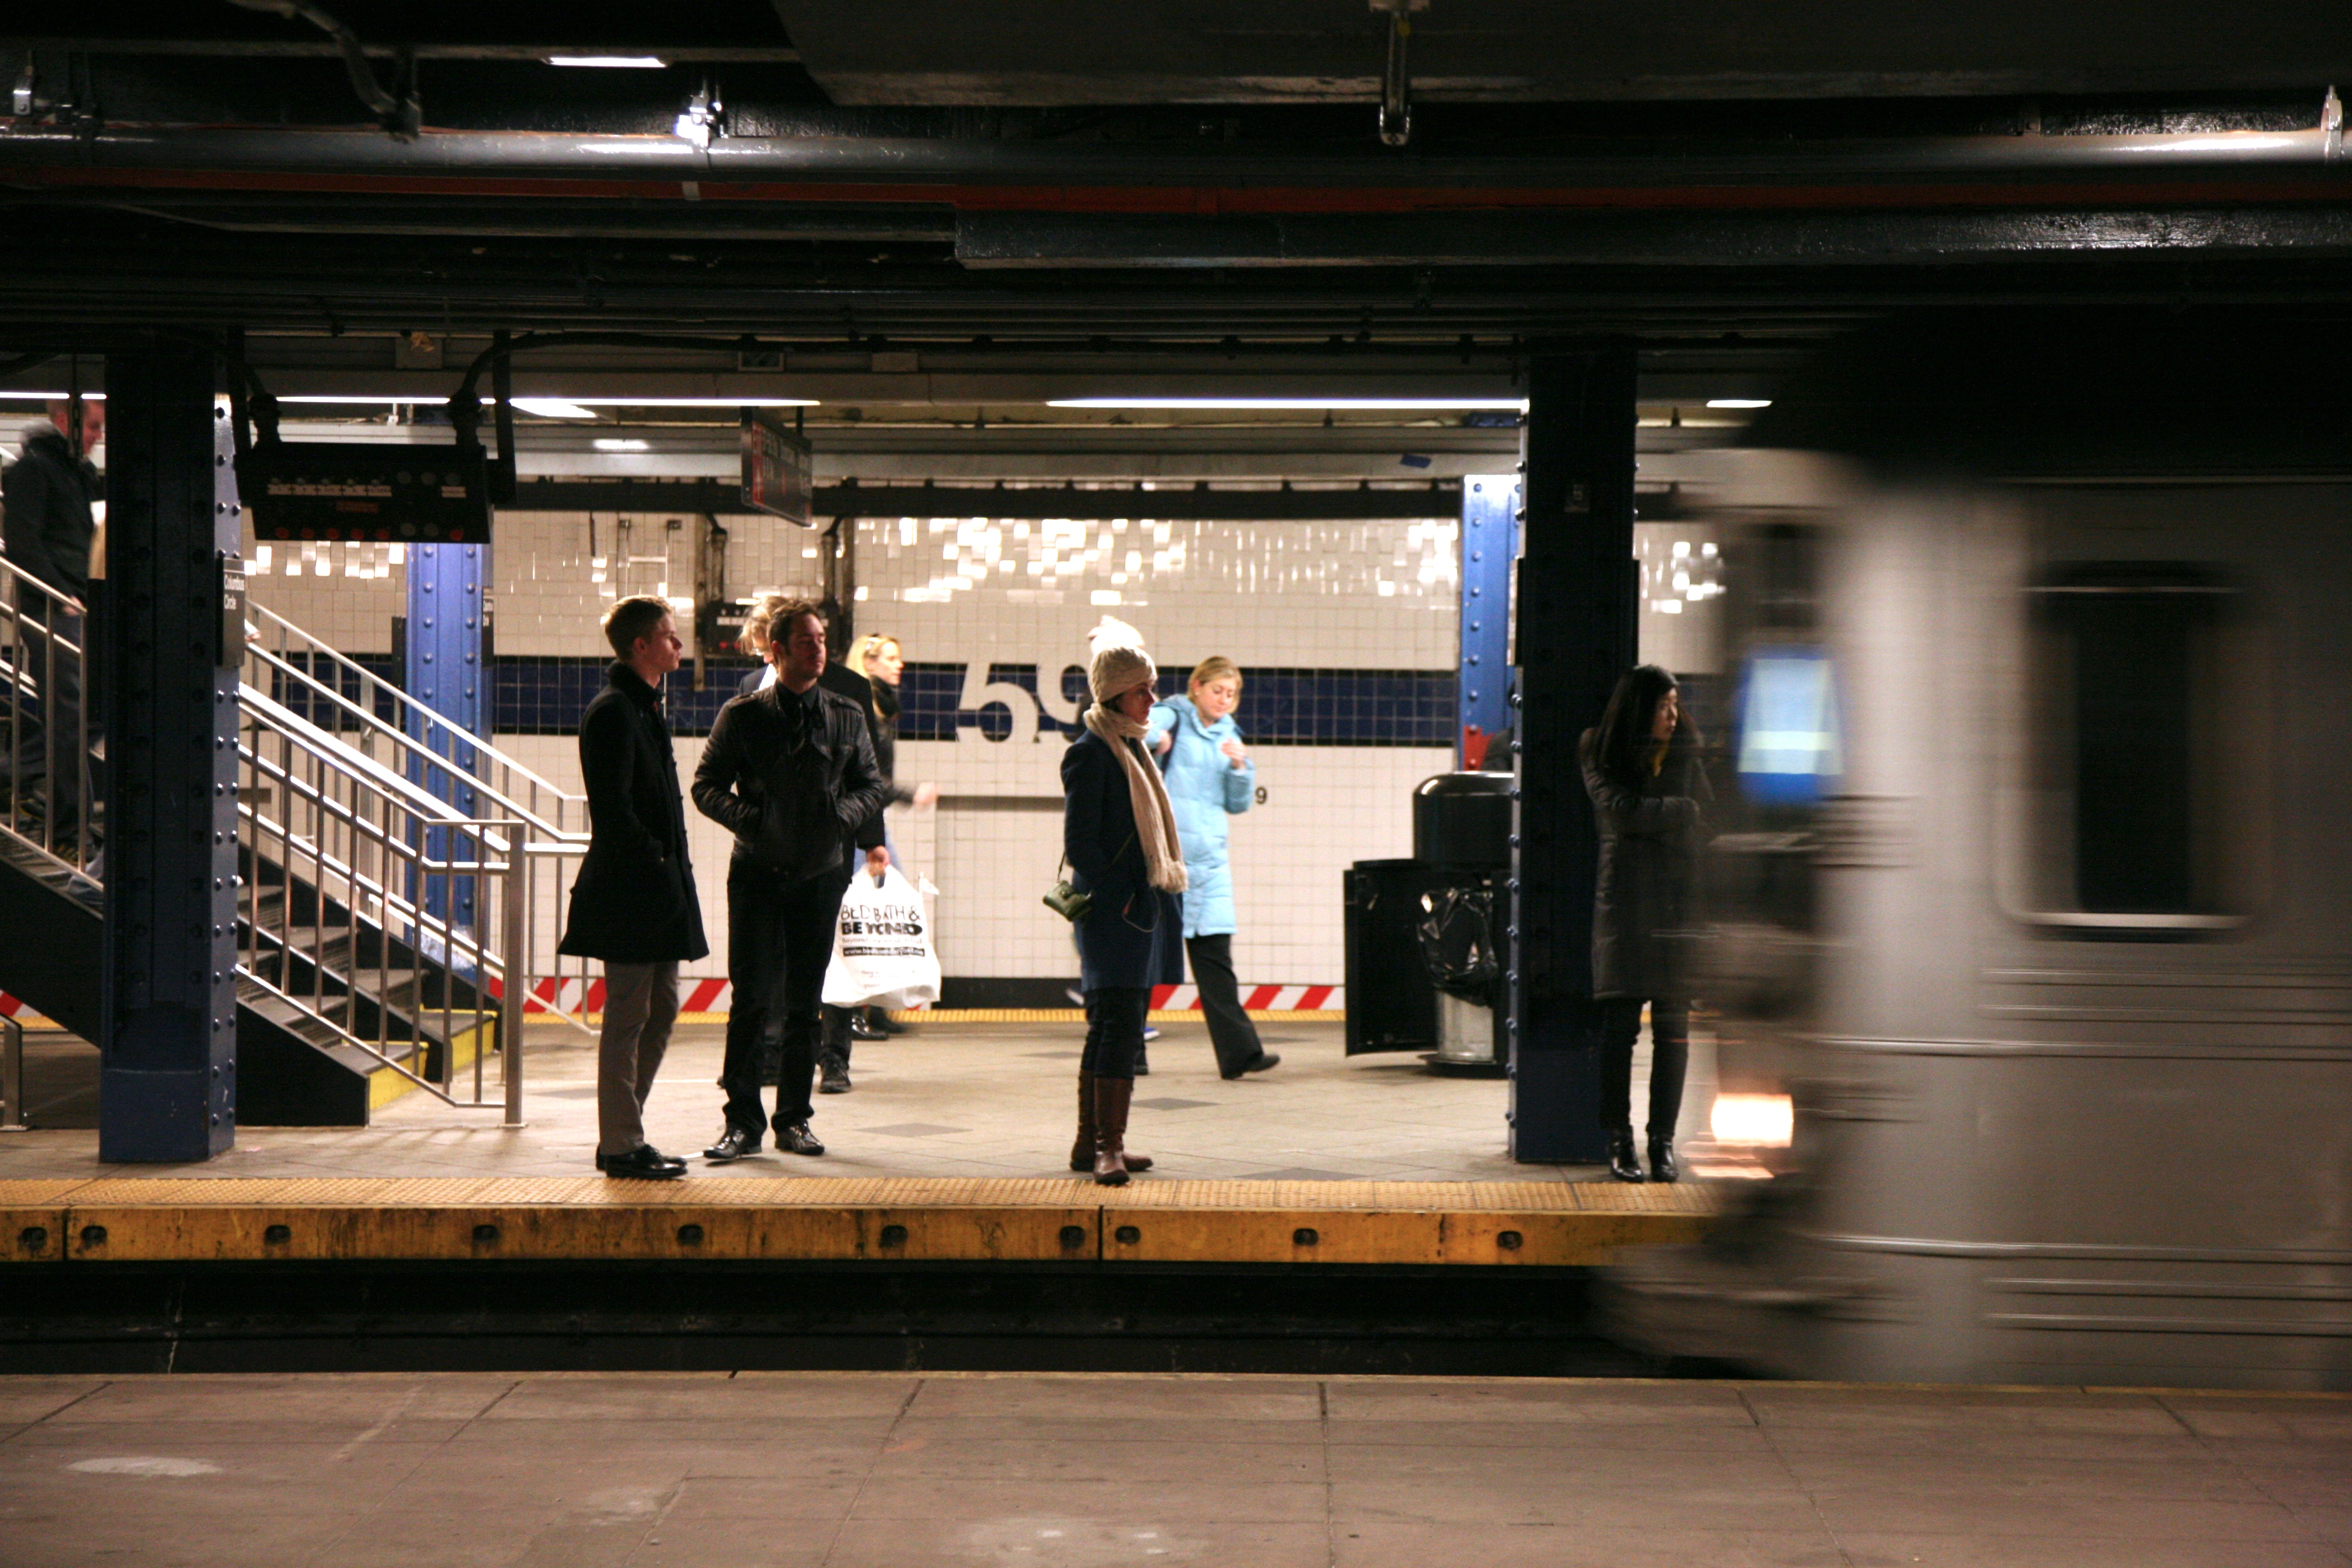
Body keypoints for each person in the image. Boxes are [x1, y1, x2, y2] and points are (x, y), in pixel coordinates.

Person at [694, 599, 888, 1160]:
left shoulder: (847, 714)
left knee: (806, 1001)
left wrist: (843, 818)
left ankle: (794, 1119)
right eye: (806, 640)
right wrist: (754, 822)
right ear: (776, 650)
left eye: (822, 639)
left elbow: (871, 786)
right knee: (751, 999)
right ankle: (742, 1122)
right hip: (756, 870)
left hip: (822, 873)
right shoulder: (744, 714)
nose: (818, 648)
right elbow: (706, 785)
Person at [558, 597, 709, 1179]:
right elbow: (614, 810)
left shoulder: (644, 707)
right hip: (630, 894)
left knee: (663, 1009)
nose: (679, 646)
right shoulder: (615, 711)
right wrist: (655, 857)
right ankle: (619, 1143)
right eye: (670, 638)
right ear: (641, 646)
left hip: (659, 892)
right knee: (627, 1016)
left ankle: (629, 1129)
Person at [1062, 633, 1187, 1184]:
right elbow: (1081, 844)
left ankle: (1089, 1143)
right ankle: (1107, 1147)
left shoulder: (1132, 746)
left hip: (1139, 909)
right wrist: (1125, 896)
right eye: (1143, 690)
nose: (1152, 700)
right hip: (1116, 913)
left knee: (1117, 1024)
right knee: (1116, 1026)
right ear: (1114, 694)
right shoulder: (1090, 753)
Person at [1579, 664, 1710, 1183]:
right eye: (1663, 706)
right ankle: (1619, 1140)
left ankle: (1662, 1144)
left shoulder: (1686, 749)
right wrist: (1677, 811)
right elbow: (1620, 810)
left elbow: (1707, 813)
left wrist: (1661, 815)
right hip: (1625, 907)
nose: (1674, 717)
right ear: (1640, 707)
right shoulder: (1598, 747)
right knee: (1620, 1031)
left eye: (1676, 705)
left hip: (1676, 907)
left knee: (1674, 1033)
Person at [1146, 656, 1280, 1080]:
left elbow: (1238, 804)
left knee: (1217, 962)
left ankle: (1241, 1054)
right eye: (1218, 691)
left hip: (1210, 866)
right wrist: (1157, 742)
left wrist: (1241, 767)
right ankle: (1128, 1053)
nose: (1225, 700)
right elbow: (1137, 732)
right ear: (1197, 688)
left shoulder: (1230, 736)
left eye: (1232, 693)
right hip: (1165, 861)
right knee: (1143, 960)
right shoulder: (1174, 714)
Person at [2, 401, 103, 835]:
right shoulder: (35, 469)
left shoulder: (78, 475)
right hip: (49, 606)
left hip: (74, 603)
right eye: (93, 426)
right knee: (69, 713)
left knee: (91, 708)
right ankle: (67, 823)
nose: (99, 436)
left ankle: (14, 776)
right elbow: (21, 540)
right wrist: (60, 594)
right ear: (65, 421)